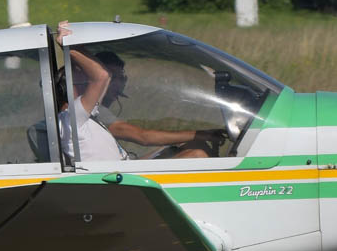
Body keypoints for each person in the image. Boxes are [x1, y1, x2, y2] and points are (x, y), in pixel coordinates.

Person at [57, 22, 223, 161]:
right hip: (120, 183)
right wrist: (70, 45)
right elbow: (102, 76)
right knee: (197, 155)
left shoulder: (84, 117)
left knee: (194, 147)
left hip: (124, 169)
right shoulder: (72, 117)